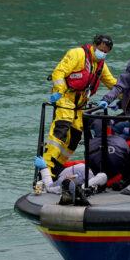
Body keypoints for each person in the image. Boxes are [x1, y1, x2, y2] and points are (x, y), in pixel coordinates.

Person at [42, 34, 117, 177]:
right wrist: (58, 91)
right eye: (102, 50)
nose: (103, 54)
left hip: (80, 104)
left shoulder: (100, 66)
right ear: (94, 45)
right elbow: (58, 73)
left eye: (106, 52)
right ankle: (47, 166)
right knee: (61, 129)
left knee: (75, 136)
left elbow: (112, 83)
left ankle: (58, 163)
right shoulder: (77, 54)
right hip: (65, 98)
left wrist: (127, 95)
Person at [34, 156, 107, 194]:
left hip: (79, 177)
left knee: (102, 176)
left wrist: (44, 168)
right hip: (74, 178)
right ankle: (81, 188)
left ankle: (81, 188)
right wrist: (44, 168)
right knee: (102, 176)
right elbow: (50, 187)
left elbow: (49, 187)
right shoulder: (61, 180)